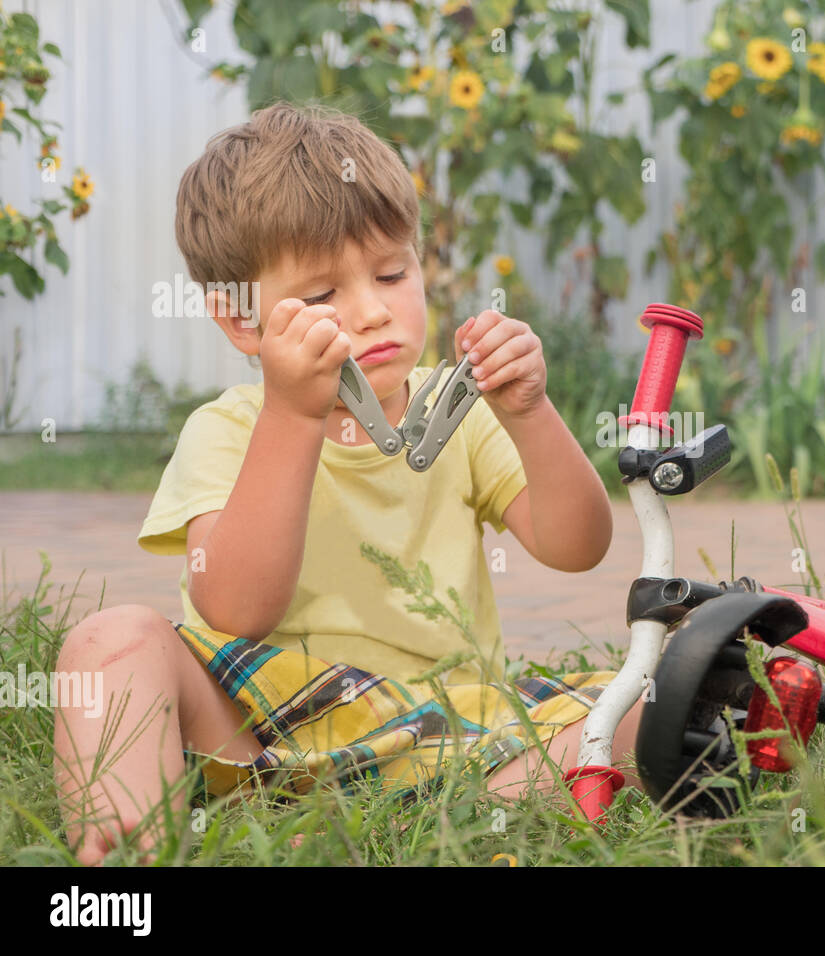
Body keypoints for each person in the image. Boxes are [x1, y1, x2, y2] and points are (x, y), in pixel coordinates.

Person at [53, 102, 640, 865]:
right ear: (241, 323)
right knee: (109, 640)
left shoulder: (455, 411)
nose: (371, 311)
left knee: (650, 696)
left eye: (393, 272)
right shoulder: (227, 430)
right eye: (323, 295)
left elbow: (578, 547)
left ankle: (435, 819)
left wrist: (530, 414)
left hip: (455, 733)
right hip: (265, 739)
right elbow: (234, 608)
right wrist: (294, 419)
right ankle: (126, 861)